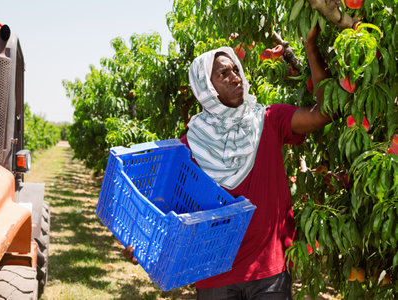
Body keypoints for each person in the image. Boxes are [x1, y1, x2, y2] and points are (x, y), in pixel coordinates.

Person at [125, 26, 331, 299]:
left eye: (235, 70)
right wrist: (141, 240)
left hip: (268, 270)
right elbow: (168, 204)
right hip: (213, 272)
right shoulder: (191, 145)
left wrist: (311, 49)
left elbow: (323, 113)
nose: (235, 78)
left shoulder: (268, 120)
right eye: (223, 73)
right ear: (205, 87)